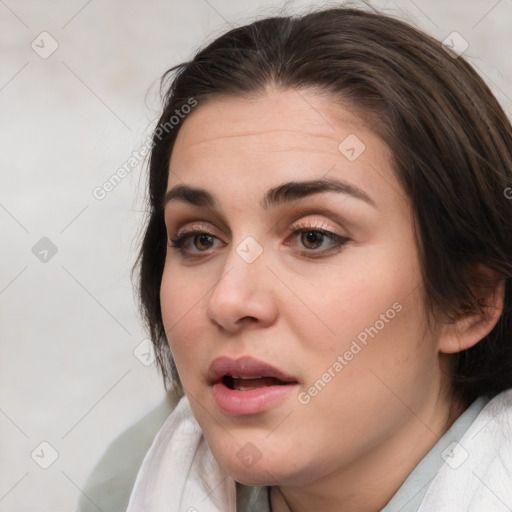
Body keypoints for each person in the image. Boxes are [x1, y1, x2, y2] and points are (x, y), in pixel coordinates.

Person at [83, 6, 512, 512]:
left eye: (313, 237)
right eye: (199, 239)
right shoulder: (129, 485)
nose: (228, 300)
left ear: (470, 299)